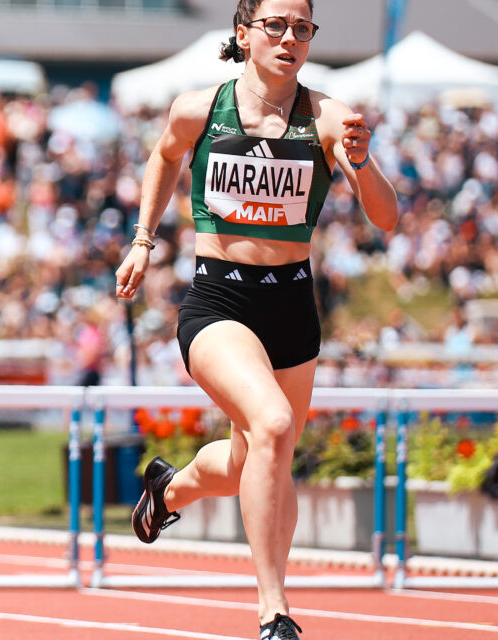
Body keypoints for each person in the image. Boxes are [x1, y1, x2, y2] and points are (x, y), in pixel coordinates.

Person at [115, 2, 398, 638]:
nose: (290, 38)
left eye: (302, 28)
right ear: (244, 33)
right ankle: (274, 611)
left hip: (293, 305)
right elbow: (163, 158)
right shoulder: (199, 108)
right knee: (271, 424)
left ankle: (170, 490)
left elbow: (386, 217)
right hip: (220, 301)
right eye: (276, 25)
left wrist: (365, 158)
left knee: (258, 460)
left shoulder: (327, 117)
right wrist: (142, 240)